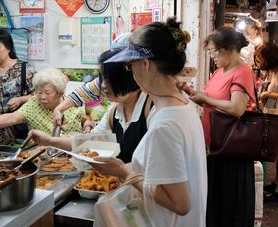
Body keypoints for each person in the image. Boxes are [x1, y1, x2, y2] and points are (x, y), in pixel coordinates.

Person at [91, 18, 206, 226]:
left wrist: (125, 171)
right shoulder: (182, 105)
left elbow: (180, 204)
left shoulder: (165, 125)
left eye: (129, 65)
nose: (131, 72)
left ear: (144, 64)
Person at [32, 36, 151, 163]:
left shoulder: (151, 110)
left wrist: (123, 171)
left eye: (109, 79)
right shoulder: (114, 112)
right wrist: (49, 141)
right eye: (102, 78)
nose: (103, 86)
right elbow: (89, 142)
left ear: (131, 76)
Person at [189, 26, 255, 227]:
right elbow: (212, 101)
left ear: (230, 49)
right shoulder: (219, 71)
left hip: (232, 153)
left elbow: (236, 108)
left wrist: (206, 98)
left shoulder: (243, 72)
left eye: (215, 51)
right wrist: (193, 94)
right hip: (215, 150)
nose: (213, 57)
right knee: (215, 209)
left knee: (228, 211)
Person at [0, 68, 86, 138]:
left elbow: (85, 120)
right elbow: (12, 117)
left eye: (47, 93)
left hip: (70, 157)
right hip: (39, 156)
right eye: (39, 92)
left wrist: (87, 128)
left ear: (59, 92)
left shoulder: (73, 103)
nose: (42, 97)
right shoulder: (34, 104)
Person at [255, 42, 278, 201]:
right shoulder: (273, 72)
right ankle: (275, 184)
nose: (259, 62)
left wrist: (268, 94)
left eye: (261, 58)